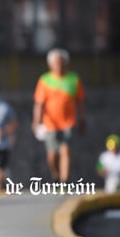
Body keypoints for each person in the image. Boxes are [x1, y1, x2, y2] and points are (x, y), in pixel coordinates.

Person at [32, 48, 85, 183]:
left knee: (65, 149)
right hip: (50, 123)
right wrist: (36, 121)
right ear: (50, 64)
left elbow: (80, 101)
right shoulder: (45, 80)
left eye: (61, 62)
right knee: (52, 155)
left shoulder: (74, 79)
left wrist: (82, 119)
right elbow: (39, 103)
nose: (59, 65)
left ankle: (64, 180)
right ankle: (56, 174)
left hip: (69, 122)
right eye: (56, 63)